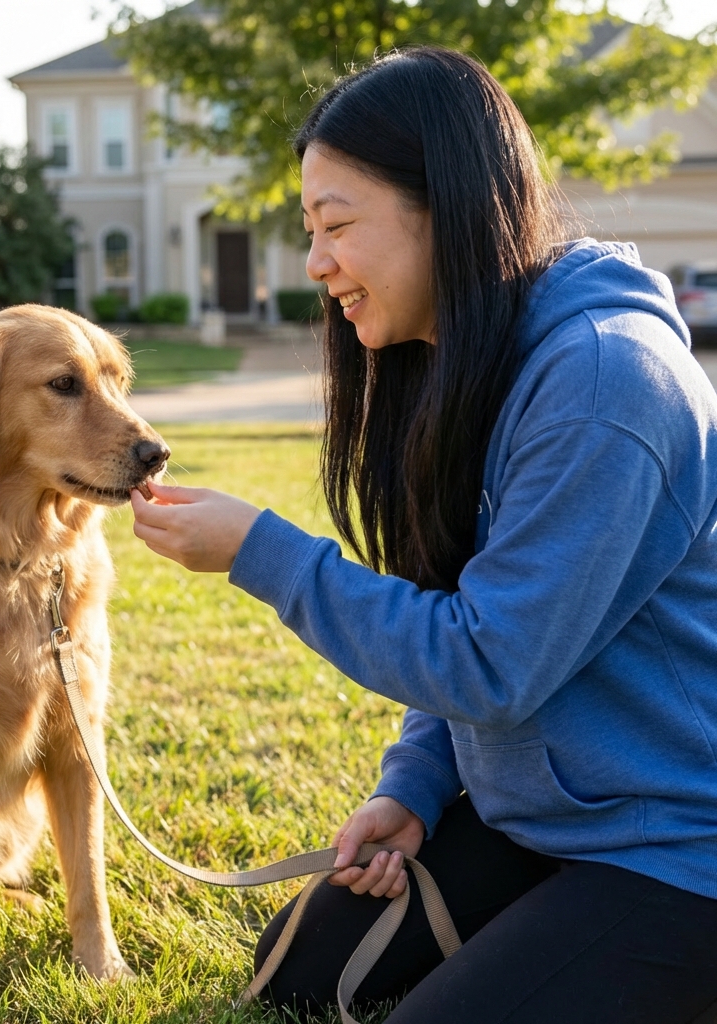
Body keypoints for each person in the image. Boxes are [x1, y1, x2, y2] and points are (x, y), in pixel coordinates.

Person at [128, 45, 717, 1024]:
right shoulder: (464, 358)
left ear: (443, 207)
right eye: (307, 230)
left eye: (336, 226)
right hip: (544, 818)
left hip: (676, 843)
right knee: (300, 967)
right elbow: (458, 603)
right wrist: (417, 784)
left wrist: (258, 552)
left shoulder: (605, 382)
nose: (315, 263)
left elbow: (488, 663)